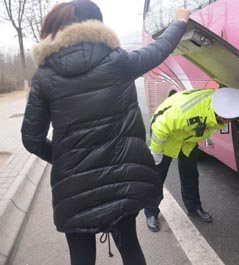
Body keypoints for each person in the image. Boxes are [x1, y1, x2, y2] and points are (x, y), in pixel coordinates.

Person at [20, 0, 191, 264]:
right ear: (96, 27)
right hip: (122, 179)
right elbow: (159, 49)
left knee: (81, 257)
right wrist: (180, 21)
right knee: (131, 247)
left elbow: (31, 139)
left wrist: (65, 158)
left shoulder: (45, 76)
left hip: (74, 188)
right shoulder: (118, 61)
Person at [145, 87, 239, 232]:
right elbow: (160, 127)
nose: (231, 122)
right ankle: (151, 212)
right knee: (158, 176)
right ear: (220, 115)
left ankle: (194, 208)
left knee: (190, 175)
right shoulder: (185, 113)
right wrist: (156, 154)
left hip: (188, 140)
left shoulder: (226, 105)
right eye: (229, 120)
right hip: (167, 138)